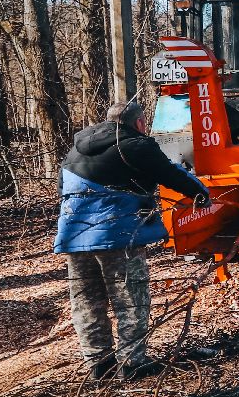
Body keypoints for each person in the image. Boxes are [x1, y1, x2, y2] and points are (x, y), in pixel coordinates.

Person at [54, 101, 209, 381]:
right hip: (117, 235)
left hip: (74, 235)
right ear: (139, 123)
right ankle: (132, 362)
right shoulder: (136, 144)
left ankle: (99, 364)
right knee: (130, 298)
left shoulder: (76, 148)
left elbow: (62, 189)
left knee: (87, 301)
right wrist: (200, 193)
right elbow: (171, 175)